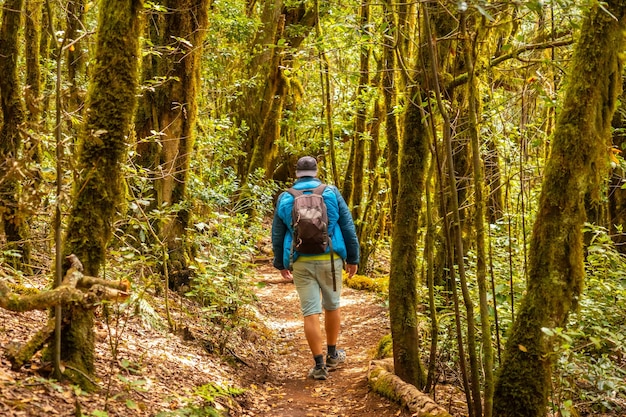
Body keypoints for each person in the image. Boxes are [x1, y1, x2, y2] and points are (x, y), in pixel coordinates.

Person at [271, 156, 360, 380]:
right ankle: (332, 354)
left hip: (301, 260)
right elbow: (347, 227)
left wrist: (281, 263)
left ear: (296, 173)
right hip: (330, 258)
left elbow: (278, 234)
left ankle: (319, 365)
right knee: (332, 305)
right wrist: (353, 258)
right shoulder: (330, 192)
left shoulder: (285, 197)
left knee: (310, 311)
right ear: (316, 171)